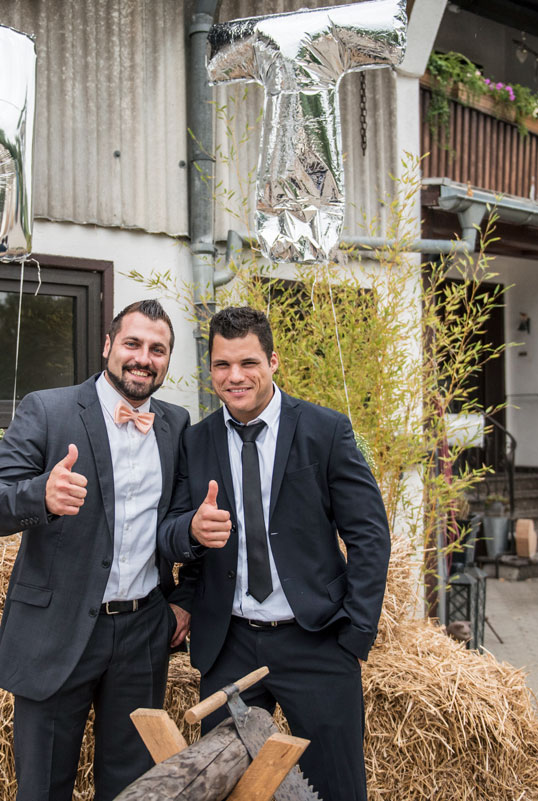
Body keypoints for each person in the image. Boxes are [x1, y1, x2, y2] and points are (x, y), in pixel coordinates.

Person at [159, 305, 390, 801]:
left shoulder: (325, 431)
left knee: (336, 788)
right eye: (222, 365)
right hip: (229, 643)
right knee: (228, 787)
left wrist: (356, 632)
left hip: (318, 640)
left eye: (248, 363)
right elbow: (171, 531)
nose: (235, 377)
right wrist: (191, 531)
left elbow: (369, 533)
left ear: (273, 361)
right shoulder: (195, 440)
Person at [0, 299, 191, 801]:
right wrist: (39, 496)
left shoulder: (176, 423)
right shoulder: (48, 409)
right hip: (57, 630)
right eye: (133, 344)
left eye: (158, 349)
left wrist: (183, 602)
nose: (143, 358)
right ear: (108, 345)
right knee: (44, 787)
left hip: (141, 635)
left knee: (133, 786)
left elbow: (182, 523)